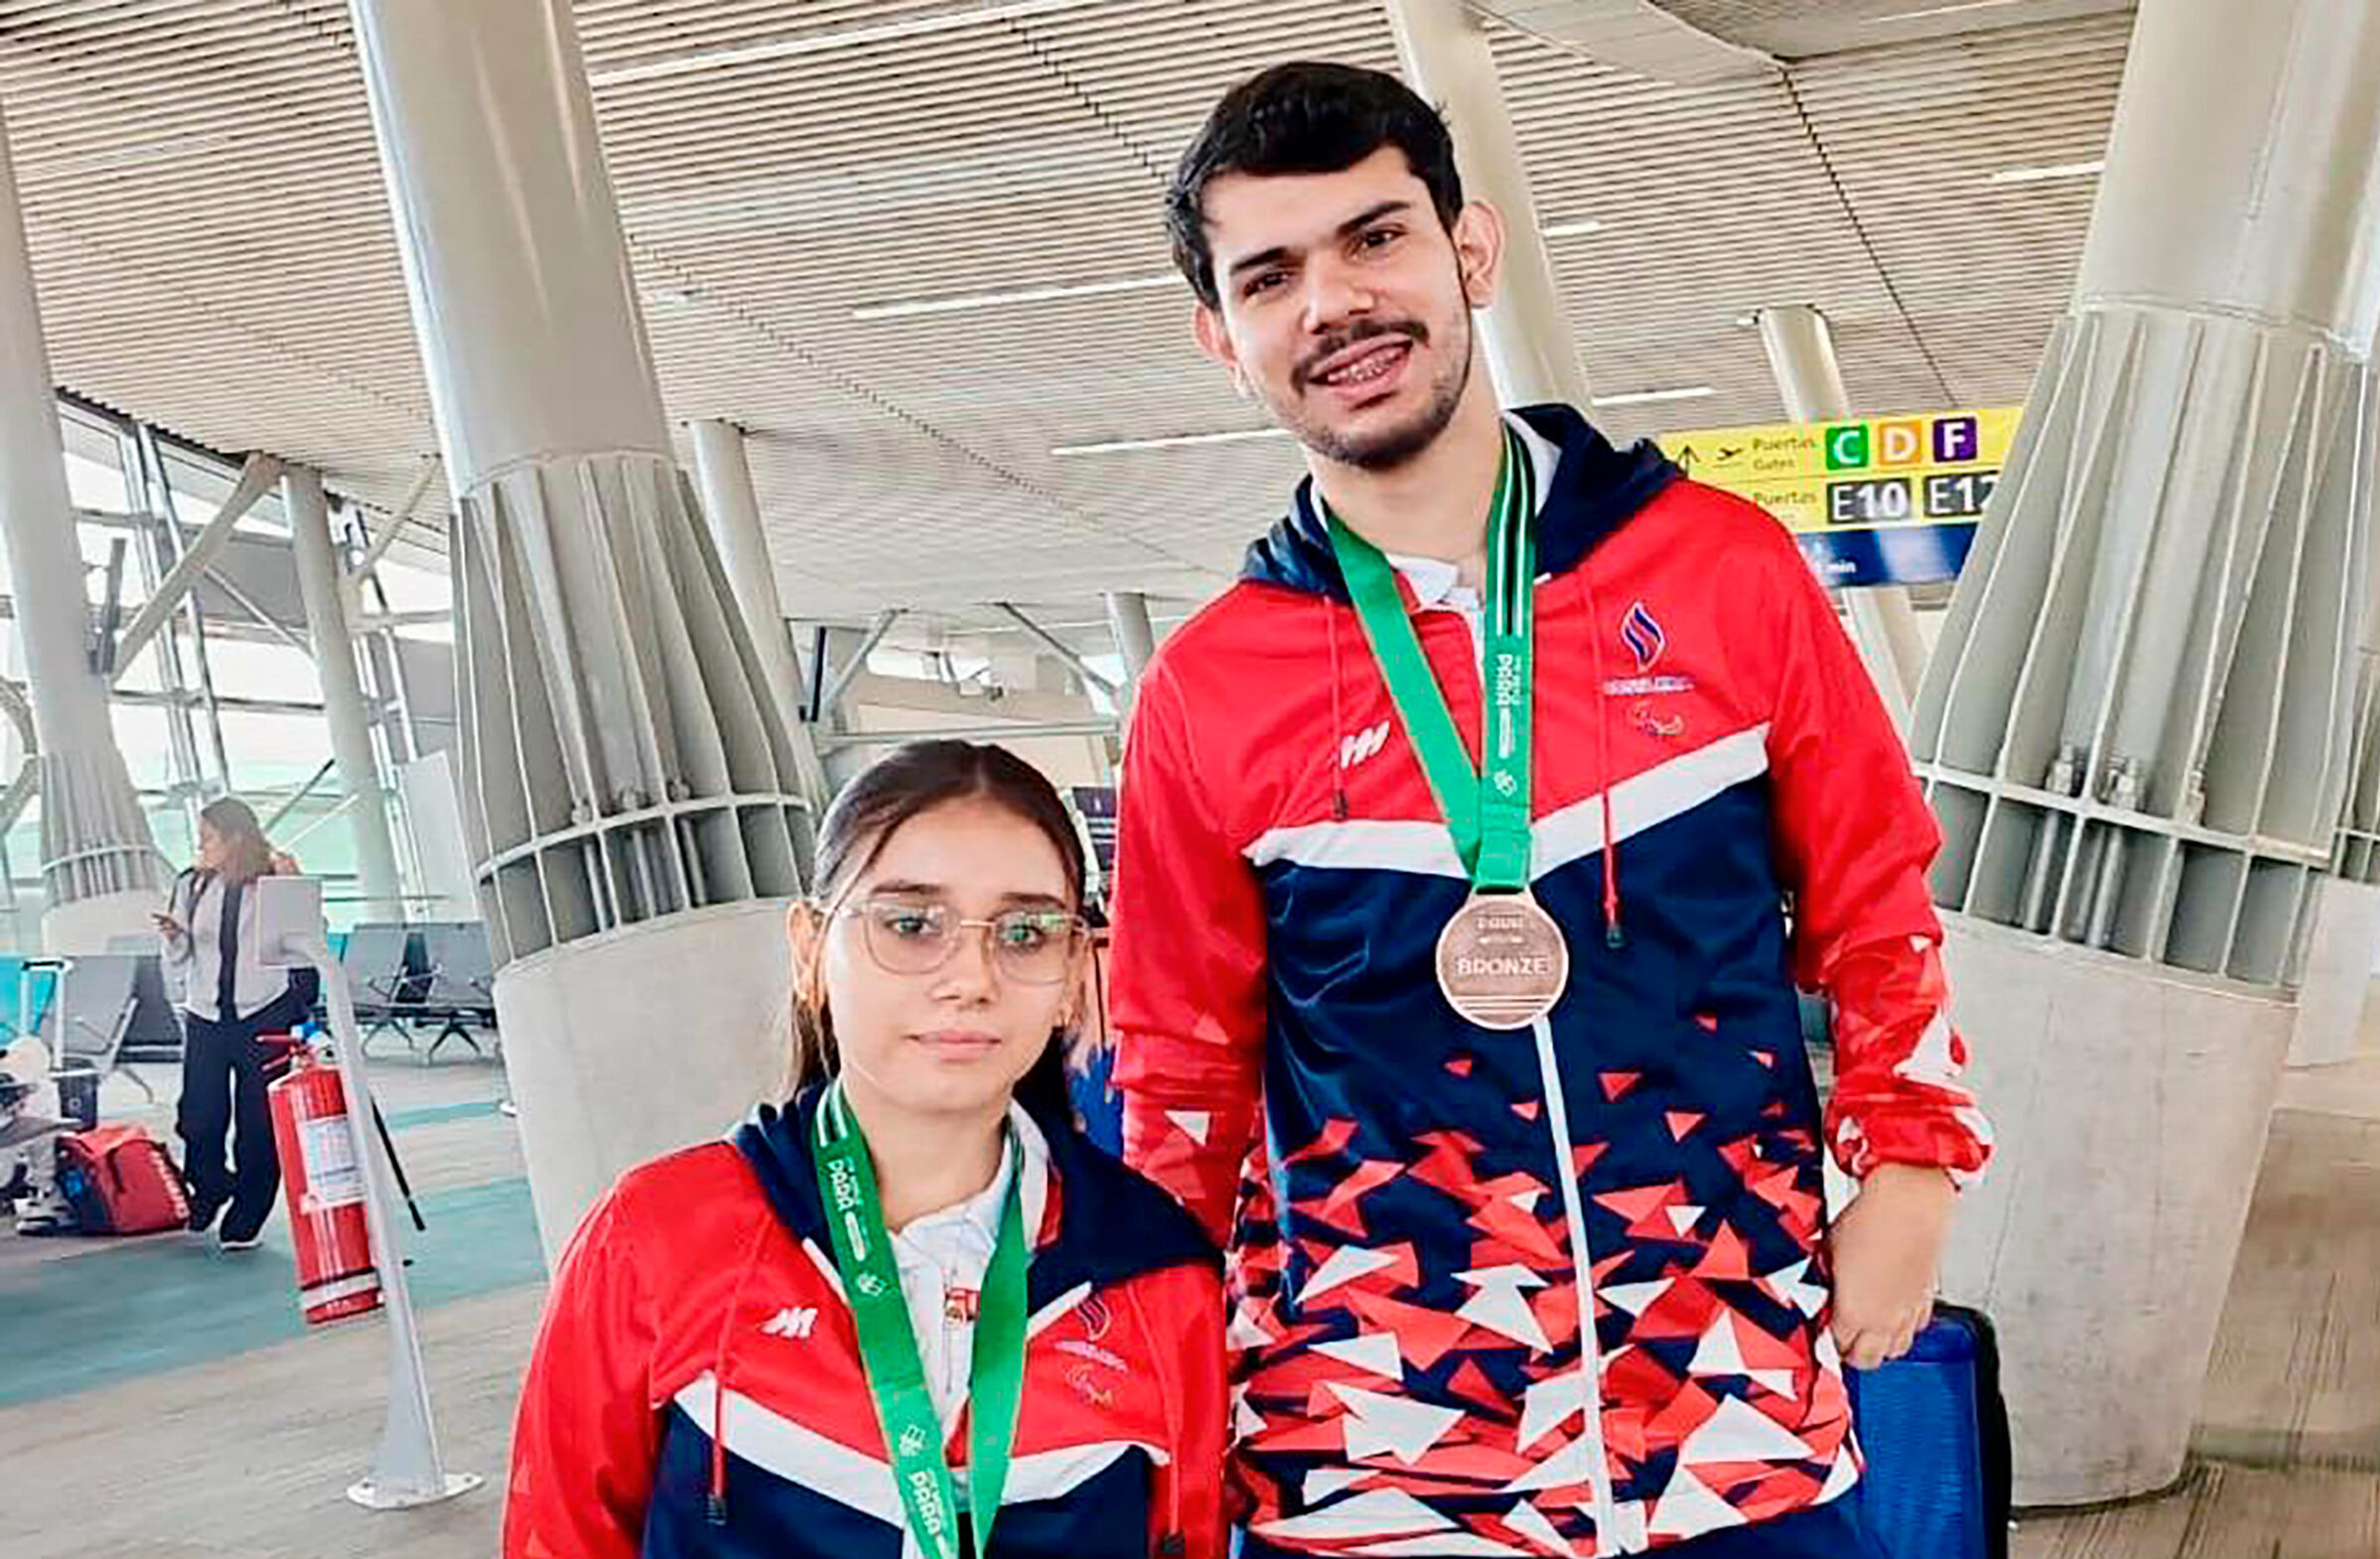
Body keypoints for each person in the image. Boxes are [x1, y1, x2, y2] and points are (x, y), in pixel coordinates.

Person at [1107, 63, 1994, 1557]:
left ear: (1470, 250)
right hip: (1374, 1455)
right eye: (1272, 275)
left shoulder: (1719, 570)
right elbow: (1181, 1071)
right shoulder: (1209, 689)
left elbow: (1875, 892)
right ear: (1223, 336)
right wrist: (1160, 1370)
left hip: (1735, 1421)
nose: (1332, 303)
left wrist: (1909, 1168)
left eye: (1374, 239)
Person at [503, 741, 1227, 1559]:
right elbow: (557, 1537)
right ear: (811, 952)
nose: (970, 976)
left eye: (1025, 932)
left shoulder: (1158, 1276)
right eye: (912, 925)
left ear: (1070, 976)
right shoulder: (657, 1241)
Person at [155, 796, 311, 1250]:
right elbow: (181, 958)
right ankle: (210, 1184)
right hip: (206, 1014)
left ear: (235, 839)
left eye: (207, 838)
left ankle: (248, 1213)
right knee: (198, 1116)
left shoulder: (273, 878)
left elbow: (302, 943)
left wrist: (293, 887)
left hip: (264, 1012)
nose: (198, 846)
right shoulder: (190, 885)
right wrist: (174, 937)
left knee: (259, 1123)